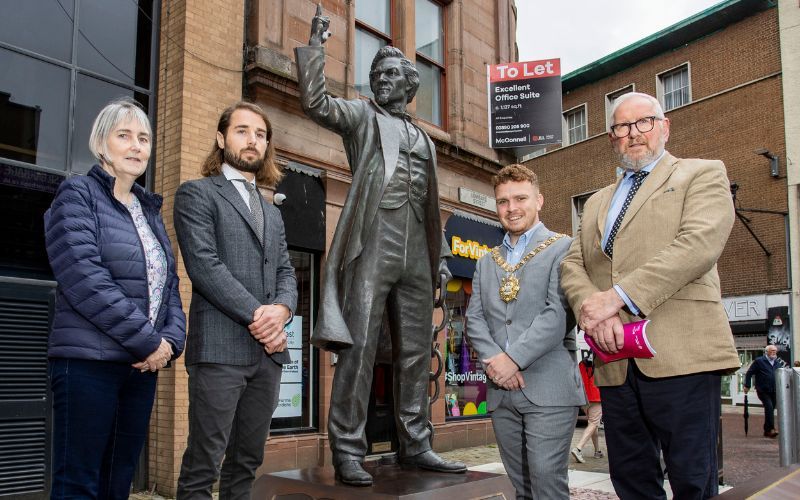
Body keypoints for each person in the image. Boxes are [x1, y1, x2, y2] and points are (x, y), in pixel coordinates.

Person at [294, 6, 465, 486]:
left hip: (417, 249)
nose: (382, 80)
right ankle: (348, 449)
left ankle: (416, 444)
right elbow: (316, 103)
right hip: (374, 240)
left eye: (392, 74)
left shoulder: (425, 140)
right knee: (359, 347)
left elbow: (433, 207)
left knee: (414, 351)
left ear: (410, 87)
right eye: (377, 74)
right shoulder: (361, 117)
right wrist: (316, 45)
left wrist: (444, 258)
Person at [560, 91, 740, 499]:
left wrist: (618, 296)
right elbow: (572, 264)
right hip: (615, 361)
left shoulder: (702, 173)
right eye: (622, 127)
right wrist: (596, 311)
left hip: (682, 355)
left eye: (644, 122)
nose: (633, 133)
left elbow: (698, 245)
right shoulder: (595, 203)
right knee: (631, 480)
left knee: (693, 479)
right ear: (612, 137)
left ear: (664, 126)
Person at [44, 98, 186, 499]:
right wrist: (150, 342)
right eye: (124, 135)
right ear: (101, 144)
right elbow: (86, 279)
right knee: (78, 483)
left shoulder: (148, 210)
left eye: (143, 138)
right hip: (88, 363)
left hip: (140, 369)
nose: (136, 146)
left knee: (117, 481)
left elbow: (169, 288)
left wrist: (170, 344)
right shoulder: (77, 195)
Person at [174, 101, 297, 499]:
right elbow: (205, 266)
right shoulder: (197, 194)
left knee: (246, 464)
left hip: (268, 358)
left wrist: (283, 310)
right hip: (219, 352)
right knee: (203, 465)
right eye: (243, 131)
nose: (253, 141)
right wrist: (262, 317)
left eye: (261, 135)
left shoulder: (271, 211)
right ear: (221, 137)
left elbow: (285, 273)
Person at [466, 164, 585, 500]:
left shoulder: (563, 247)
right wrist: (495, 362)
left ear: (539, 200)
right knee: (521, 488)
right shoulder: (486, 261)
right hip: (501, 391)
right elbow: (474, 319)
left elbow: (559, 313)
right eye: (503, 201)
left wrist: (513, 359)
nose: (511, 208)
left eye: (520, 198)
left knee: (547, 486)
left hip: (548, 387)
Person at [744, 345, 786, 438]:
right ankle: (771, 429)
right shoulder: (759, 361)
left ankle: (767, 430)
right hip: (763, 390)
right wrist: (747, 385)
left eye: (775, 351)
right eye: (772, 351)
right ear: (766, 352)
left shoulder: (777, 363)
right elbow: (749, 373)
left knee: (770, 409)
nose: (774, 352)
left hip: (774, 390)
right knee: (769, 407)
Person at [572, 353, 603, 463]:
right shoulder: (600, 362)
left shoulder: (581, 364)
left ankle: (597, 451)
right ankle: (578, 448)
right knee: (594, 423)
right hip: (597, 397)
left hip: (584, 398)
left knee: (592, 423)